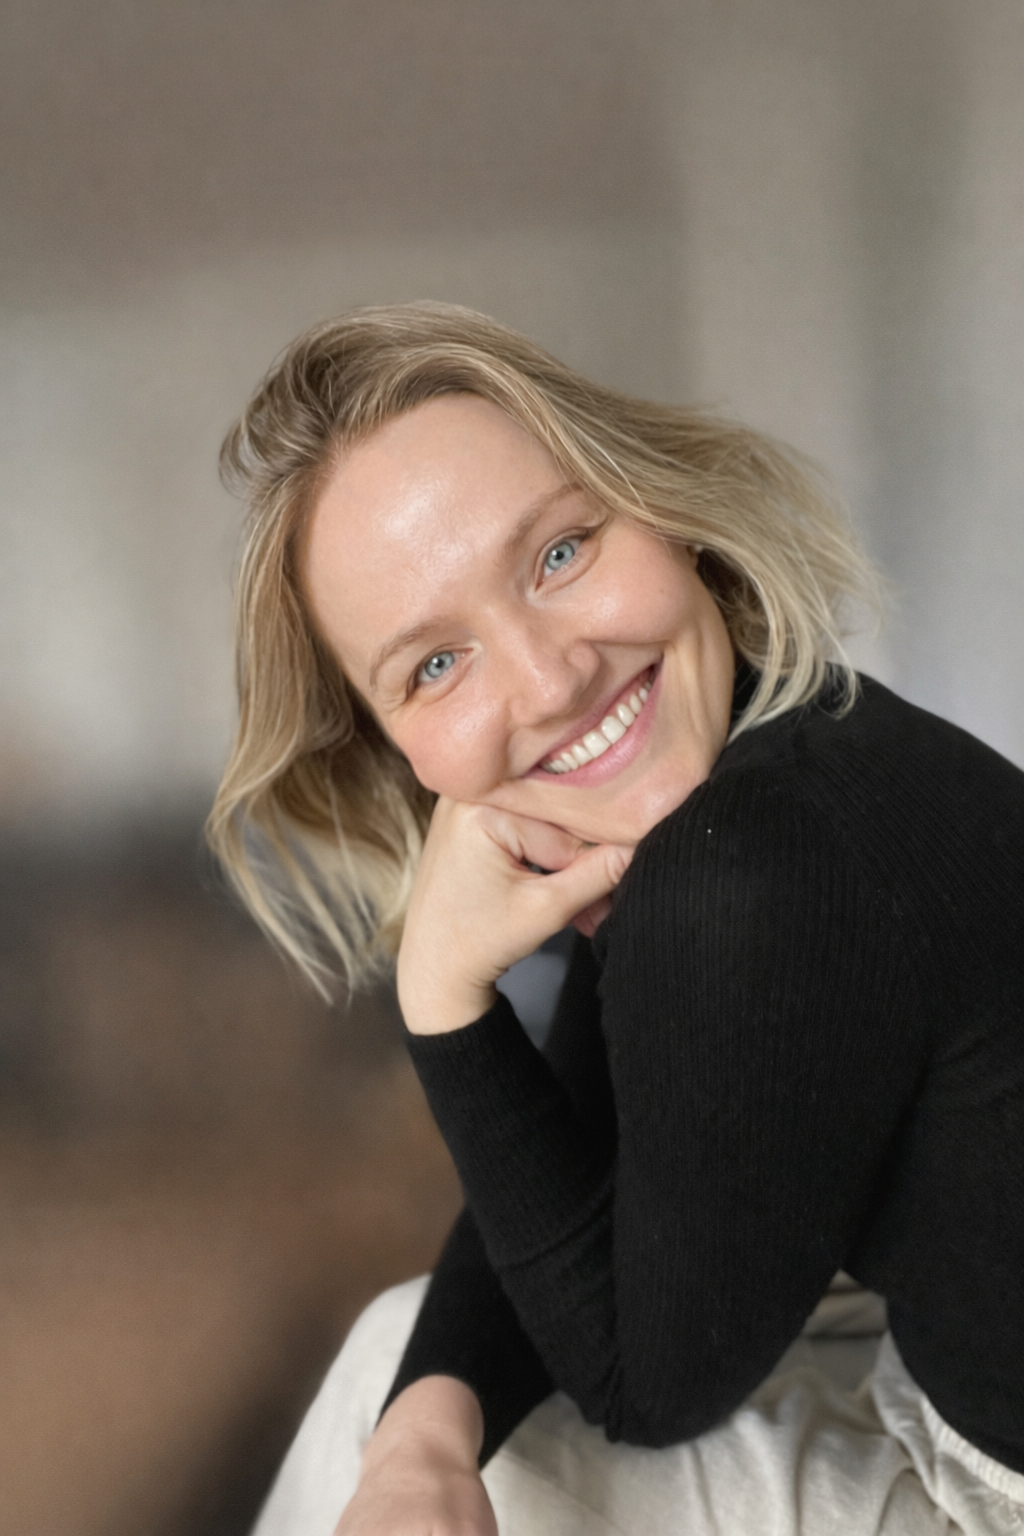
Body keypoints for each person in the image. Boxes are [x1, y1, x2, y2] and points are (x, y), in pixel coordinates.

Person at [207, 304, 1024, 1536]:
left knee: (495, 1471)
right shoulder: (769, 768)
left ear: (663, 511)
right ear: (395, 749)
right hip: (956, 1398)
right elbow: (587, 1155)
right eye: (434, 665)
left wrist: (444, 1003)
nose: (548, 680)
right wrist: (420, 1438)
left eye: (558, 553)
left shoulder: (749, 870)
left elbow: (644, 1384)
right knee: (406, 1392)